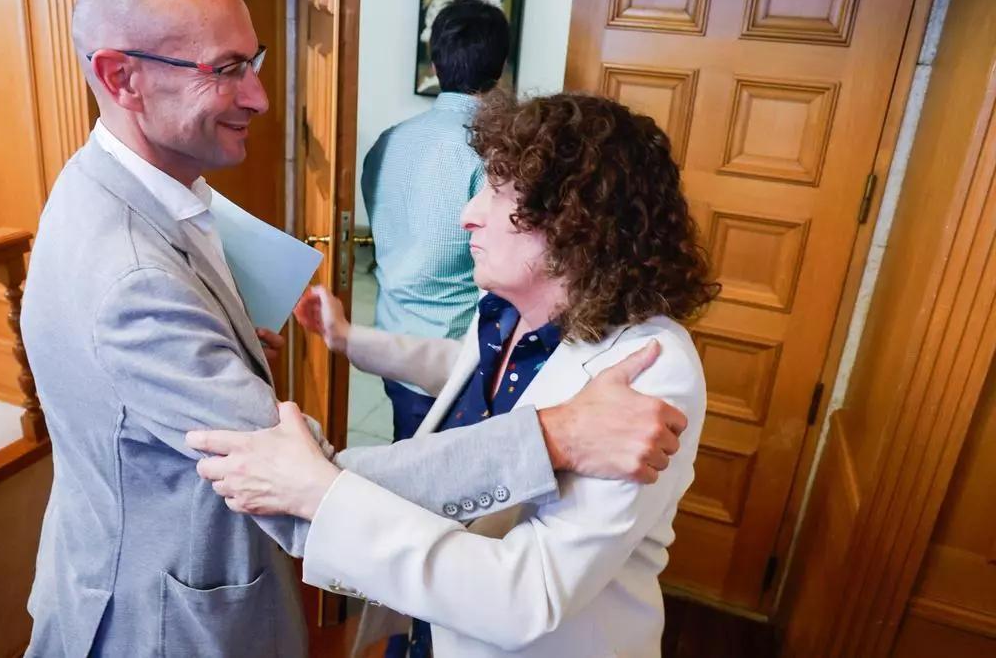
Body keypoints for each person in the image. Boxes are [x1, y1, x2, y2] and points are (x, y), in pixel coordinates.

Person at [20, 0, 690, 656]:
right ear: (121, 77)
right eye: (228, 71)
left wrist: (226, 352)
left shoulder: (117, 188)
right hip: (156, 608)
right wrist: (552, 437)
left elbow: (526, 591)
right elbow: (299, 473)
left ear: (576, 225)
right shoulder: (131, 272)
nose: (258, 97)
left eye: (250, 63)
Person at [188, 92, 720, 657]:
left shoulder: (648, 371)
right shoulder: (510, 310)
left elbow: (527, 595)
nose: (469, 214)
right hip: (435, 621)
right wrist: (348, 340)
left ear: (575, 223)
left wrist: (322, 493)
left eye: (498, 192)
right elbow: (468, 376)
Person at [362, 0, 509, 445]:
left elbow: (379, 223)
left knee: (406, 445)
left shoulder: (389, 143)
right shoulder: (492, 155)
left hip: (394, 340)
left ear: (435, 62)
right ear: (500, 69)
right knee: (439, 479)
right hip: (453, 352)